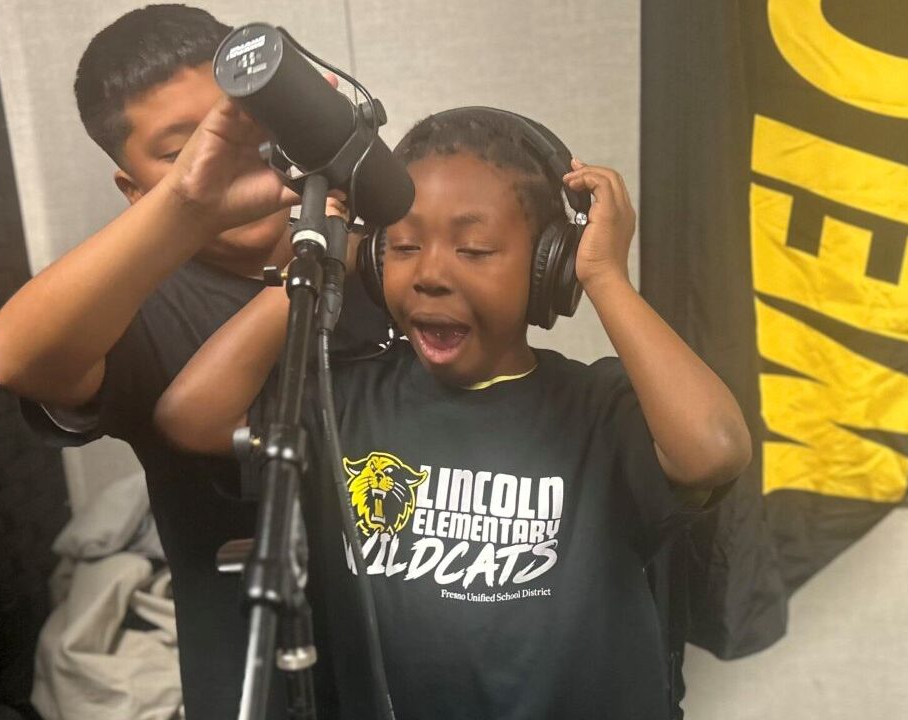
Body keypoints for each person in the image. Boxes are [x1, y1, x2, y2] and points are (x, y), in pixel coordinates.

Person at [154, 107, 754, 719]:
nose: (431, 274)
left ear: (548, 265)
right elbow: (189, 417)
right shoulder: (345, 400)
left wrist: (603, 276)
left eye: (474, 249)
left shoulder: (599, 410)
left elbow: (714, 447)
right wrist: (328, 262)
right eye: (405, 247)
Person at [0, 5, 382, 717]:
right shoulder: (139, 306)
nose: (231, 155)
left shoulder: (370, 241)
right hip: (255, 684)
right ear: (135, 192)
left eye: (245, 128)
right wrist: (189, 207)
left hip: (419, 660)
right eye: (180, 151)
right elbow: (20, 359)